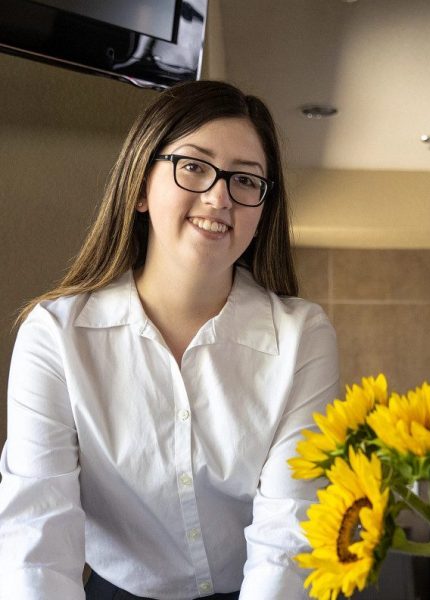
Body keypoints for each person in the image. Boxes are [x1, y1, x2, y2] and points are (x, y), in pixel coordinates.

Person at [0, 80, 339, 599]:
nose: (220, 195)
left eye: (246, 180)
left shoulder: (302, 337)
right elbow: (37, 537)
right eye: (194, 166)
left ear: (262, 210)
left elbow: (289, 534)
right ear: (139, 186)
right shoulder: (54, 336)